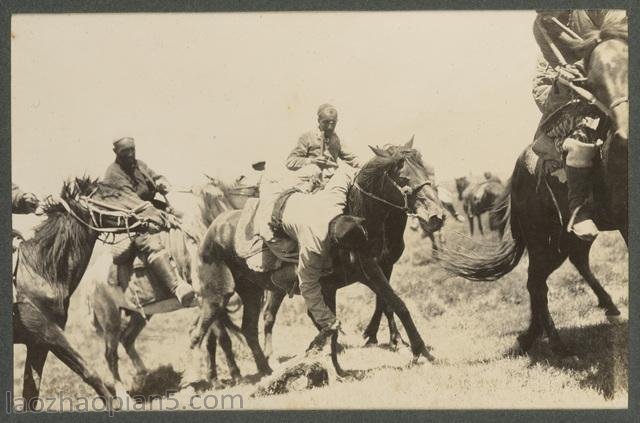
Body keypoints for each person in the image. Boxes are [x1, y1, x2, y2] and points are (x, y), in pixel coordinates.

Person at [530, 10, 627, 241]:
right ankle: (579, 209)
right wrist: (567, 74)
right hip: (586, 91)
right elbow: (557, 67)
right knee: (582, 137)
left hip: (617, 68)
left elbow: (617, 27)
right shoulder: (541, 26)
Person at [101, 137, 195, 306]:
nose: (130, 154)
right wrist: (164, 217)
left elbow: (155, 176)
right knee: (150, 241)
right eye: (125, 152)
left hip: (151, 211)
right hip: (130, 220)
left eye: (132, 149)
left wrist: (161, 182)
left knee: (189, 220)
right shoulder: (113, 174)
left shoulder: (139, 165)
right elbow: (134, 203)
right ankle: (177, 287)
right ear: (116, 152)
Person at [286, 104, 361, 189]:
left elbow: (353, 159)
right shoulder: (307, 137)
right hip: (311, 179)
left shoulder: (337, 139)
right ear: (319, 120)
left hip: (332, 180)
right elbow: (290, 162)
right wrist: (313, 161)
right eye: (326, 122)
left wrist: (369, 166)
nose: (330, 126)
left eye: (333, 123)